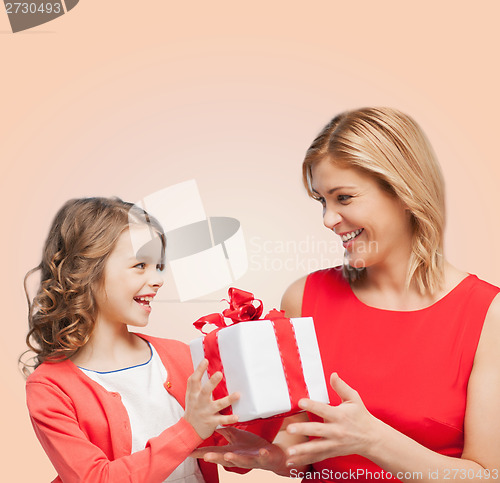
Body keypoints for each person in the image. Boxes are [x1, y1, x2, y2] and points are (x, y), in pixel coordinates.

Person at [194, 108, 500, 481]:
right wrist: (275, 456)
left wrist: (375, 441)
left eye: (343, 198)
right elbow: (305, 448)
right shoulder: (304, 298)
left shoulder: (487, 314)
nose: (328, 220)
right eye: (322, 201)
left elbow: (487, 475)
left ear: (404, 192)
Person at [22, 197, 241, 483]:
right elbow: (96, 478)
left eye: (158, 266)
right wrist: (190, 429)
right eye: (140, 265)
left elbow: (229, 452)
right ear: (87, 270)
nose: (158, 279)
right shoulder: (50, 388)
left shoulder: (180, 356)